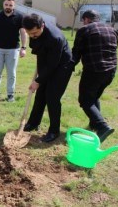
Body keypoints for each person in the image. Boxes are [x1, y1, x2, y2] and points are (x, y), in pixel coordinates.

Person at [21, 13, 73, 143]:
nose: (33, 36)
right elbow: (41, 54)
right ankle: (33, 123)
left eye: (35, 33)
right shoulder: (34, 31)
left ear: (42, 26)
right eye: (30, 34)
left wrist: (38, 81)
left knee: (52, 97)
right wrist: (39, 77)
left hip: (62, 66)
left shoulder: (55, 38)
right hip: (47, 62)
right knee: (40, 95)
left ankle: (54, 131)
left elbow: (53, 64)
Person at [71, 10, 118, 143]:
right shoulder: (112, 30)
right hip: (111, 71)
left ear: (86, 19)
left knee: (85, 100)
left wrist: (68, 67)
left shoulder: (84, 30)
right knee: (94, 97)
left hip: (94, 70)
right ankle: (94, 124)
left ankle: (102, 126)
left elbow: (76, 52)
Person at [0, 0, 28, 102]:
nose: (8, 7)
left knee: (11, 73)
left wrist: (23, 48)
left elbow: (23, 33)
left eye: (10, 5)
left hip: (13, 50)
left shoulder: (20, 17)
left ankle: (10, 94)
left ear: (14, 6)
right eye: (6, 5)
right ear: (3, 5)